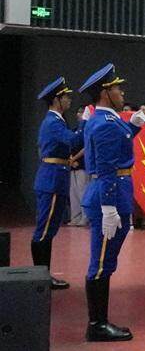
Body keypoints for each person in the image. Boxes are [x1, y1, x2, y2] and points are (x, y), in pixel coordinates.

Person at [79, 63, 143, 342]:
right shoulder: (105, 123)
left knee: (106, 260)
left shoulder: (105, 119)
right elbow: (107, 167)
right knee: (101, 262)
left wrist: (133, 127)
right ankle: (97, 325)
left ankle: (99, 323)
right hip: (111, 194)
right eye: (117, 88)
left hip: (114, 191)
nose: (122, 92)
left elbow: (118, 144)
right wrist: (108, 208)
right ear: (105, 92)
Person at [32, 77, 82, 290]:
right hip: (52, 180)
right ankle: (40, 276)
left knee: (49, 230)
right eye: (66, 97)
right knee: (44, 230)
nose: (69, 100)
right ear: (56, 100)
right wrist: (85, 124)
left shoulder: (56, 121)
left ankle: (43, 275)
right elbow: (72, 141)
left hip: (55, 178)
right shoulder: (53, 122)